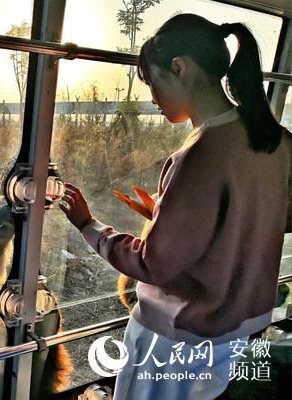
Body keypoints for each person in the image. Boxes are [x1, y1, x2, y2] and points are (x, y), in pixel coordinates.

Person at [60, 13, 292, 400]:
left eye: (153, 82)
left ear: (180, 68)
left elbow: (153, 265)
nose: (152, 97)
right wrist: (169, 220)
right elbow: (266, 220)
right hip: (240, 334)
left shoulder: (199, 156)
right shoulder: (278, 140)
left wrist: (87, 224)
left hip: (177, 343)